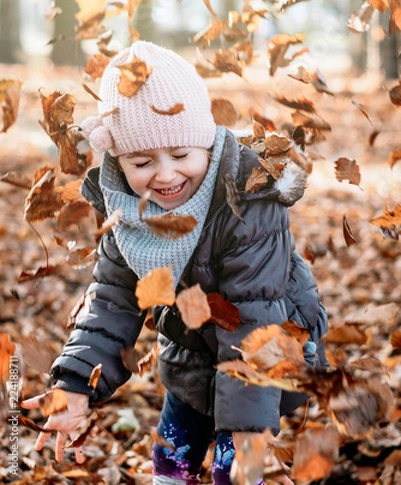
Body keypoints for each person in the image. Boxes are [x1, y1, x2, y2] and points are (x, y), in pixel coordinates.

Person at [22, 41, 328, 485]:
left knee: (236, 470)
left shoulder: (248, 204)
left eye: (182, 155)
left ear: (206, 141)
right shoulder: (126, 208)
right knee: (171, 461)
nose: (165, 175)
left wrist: (246, 433)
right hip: (191, 353)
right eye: (142, 161)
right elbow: (112, 300)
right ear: (118, 160)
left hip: (265, 353)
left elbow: (253, 321)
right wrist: (75, 385)